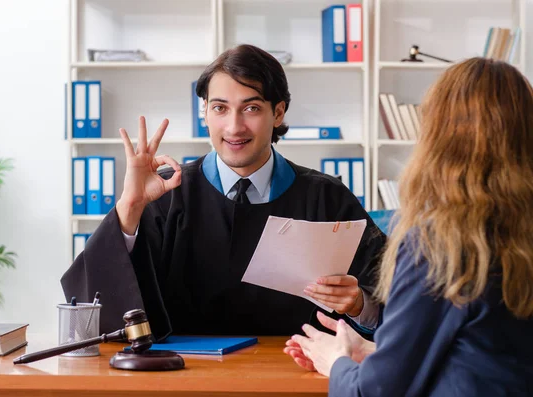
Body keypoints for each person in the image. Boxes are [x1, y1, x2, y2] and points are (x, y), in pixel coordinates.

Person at [61, 44, 386, 341]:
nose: (234, 127)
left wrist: (359, 304)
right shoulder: (165, 195)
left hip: (296, 375)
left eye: (251, 108)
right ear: (204, 112)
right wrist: (129, 208)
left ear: (278, 113)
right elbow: (94, 311)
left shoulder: (327, 198)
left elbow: (396, 302)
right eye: (220, 108)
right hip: (183, 378)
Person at [285, 57, 533, 396]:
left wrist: (337, 362)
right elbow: (486, 354)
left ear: (438, 137)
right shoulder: (517, 232)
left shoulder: (439, 242)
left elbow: (376, 393)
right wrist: (374, 352)